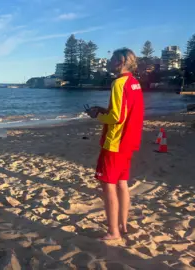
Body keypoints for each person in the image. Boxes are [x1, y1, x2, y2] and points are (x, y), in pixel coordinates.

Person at [86, 48, 144, 240]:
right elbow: (127, 111)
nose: (109, 62)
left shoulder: (119, 83)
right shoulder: (134, 83)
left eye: (112, 59)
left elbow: (117, 117)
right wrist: (105, 109)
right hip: (129, 140)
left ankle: (113, 232)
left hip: (115, 142)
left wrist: (98, 115)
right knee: (122, 183)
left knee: (108, 185)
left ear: (120, 61)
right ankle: (123, 225)